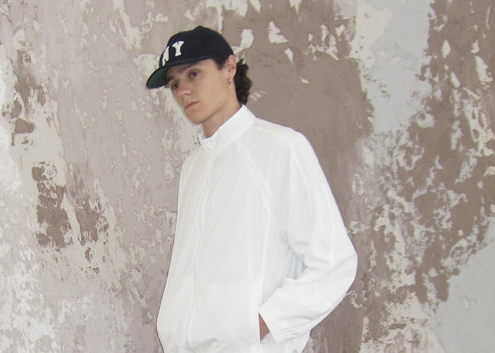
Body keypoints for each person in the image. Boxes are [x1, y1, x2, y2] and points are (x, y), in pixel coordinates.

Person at [146, 25, 358, 353]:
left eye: (194, 74)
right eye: (174, 84)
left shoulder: (280, 147)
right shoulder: (194, 166)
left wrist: (256, 324)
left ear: (229, 68)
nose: (183, 90)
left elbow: (334, 263)